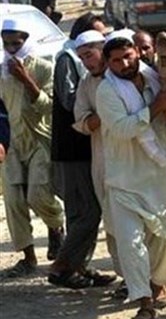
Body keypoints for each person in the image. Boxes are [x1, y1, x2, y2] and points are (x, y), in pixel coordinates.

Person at [95, 35, 166, 319]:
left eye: (128, 56)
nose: (125, 63)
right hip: (124, 180)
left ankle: (157, 289)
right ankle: (144, 303)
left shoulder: (155, 77)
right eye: (116, 60)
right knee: (131, 244)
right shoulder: (106, 91)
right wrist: (156, 107)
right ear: (108, 63)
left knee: (160, 239)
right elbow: (122, 129)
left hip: (158, 174)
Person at [48, 17, 116, 289]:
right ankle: (62, 267)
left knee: (87, 211)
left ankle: (78, 266)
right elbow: (69, 100)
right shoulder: (67, 59)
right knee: (86, 212)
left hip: (86, 146)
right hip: (72, 148)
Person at [0, 19, 65, 278]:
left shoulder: (44, 68)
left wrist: (26, 79)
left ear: (27, 40)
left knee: (38, 195)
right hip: (12, 143)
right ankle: (28, 258)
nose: (13, 49)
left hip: (40, 140)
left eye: (17, 43)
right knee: (14, 202)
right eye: (7, 44)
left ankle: (56, 227)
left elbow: (49, 107)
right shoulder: (1, 72)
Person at [73, 27, 126, 298]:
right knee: (114, 222)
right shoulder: (86, 83)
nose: (87, 62)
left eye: (89, 55)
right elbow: (82, 121)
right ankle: (128, 277)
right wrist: (106, 113)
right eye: (81, 58)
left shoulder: (126, 76)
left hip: (133, 160)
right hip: (104, 162)